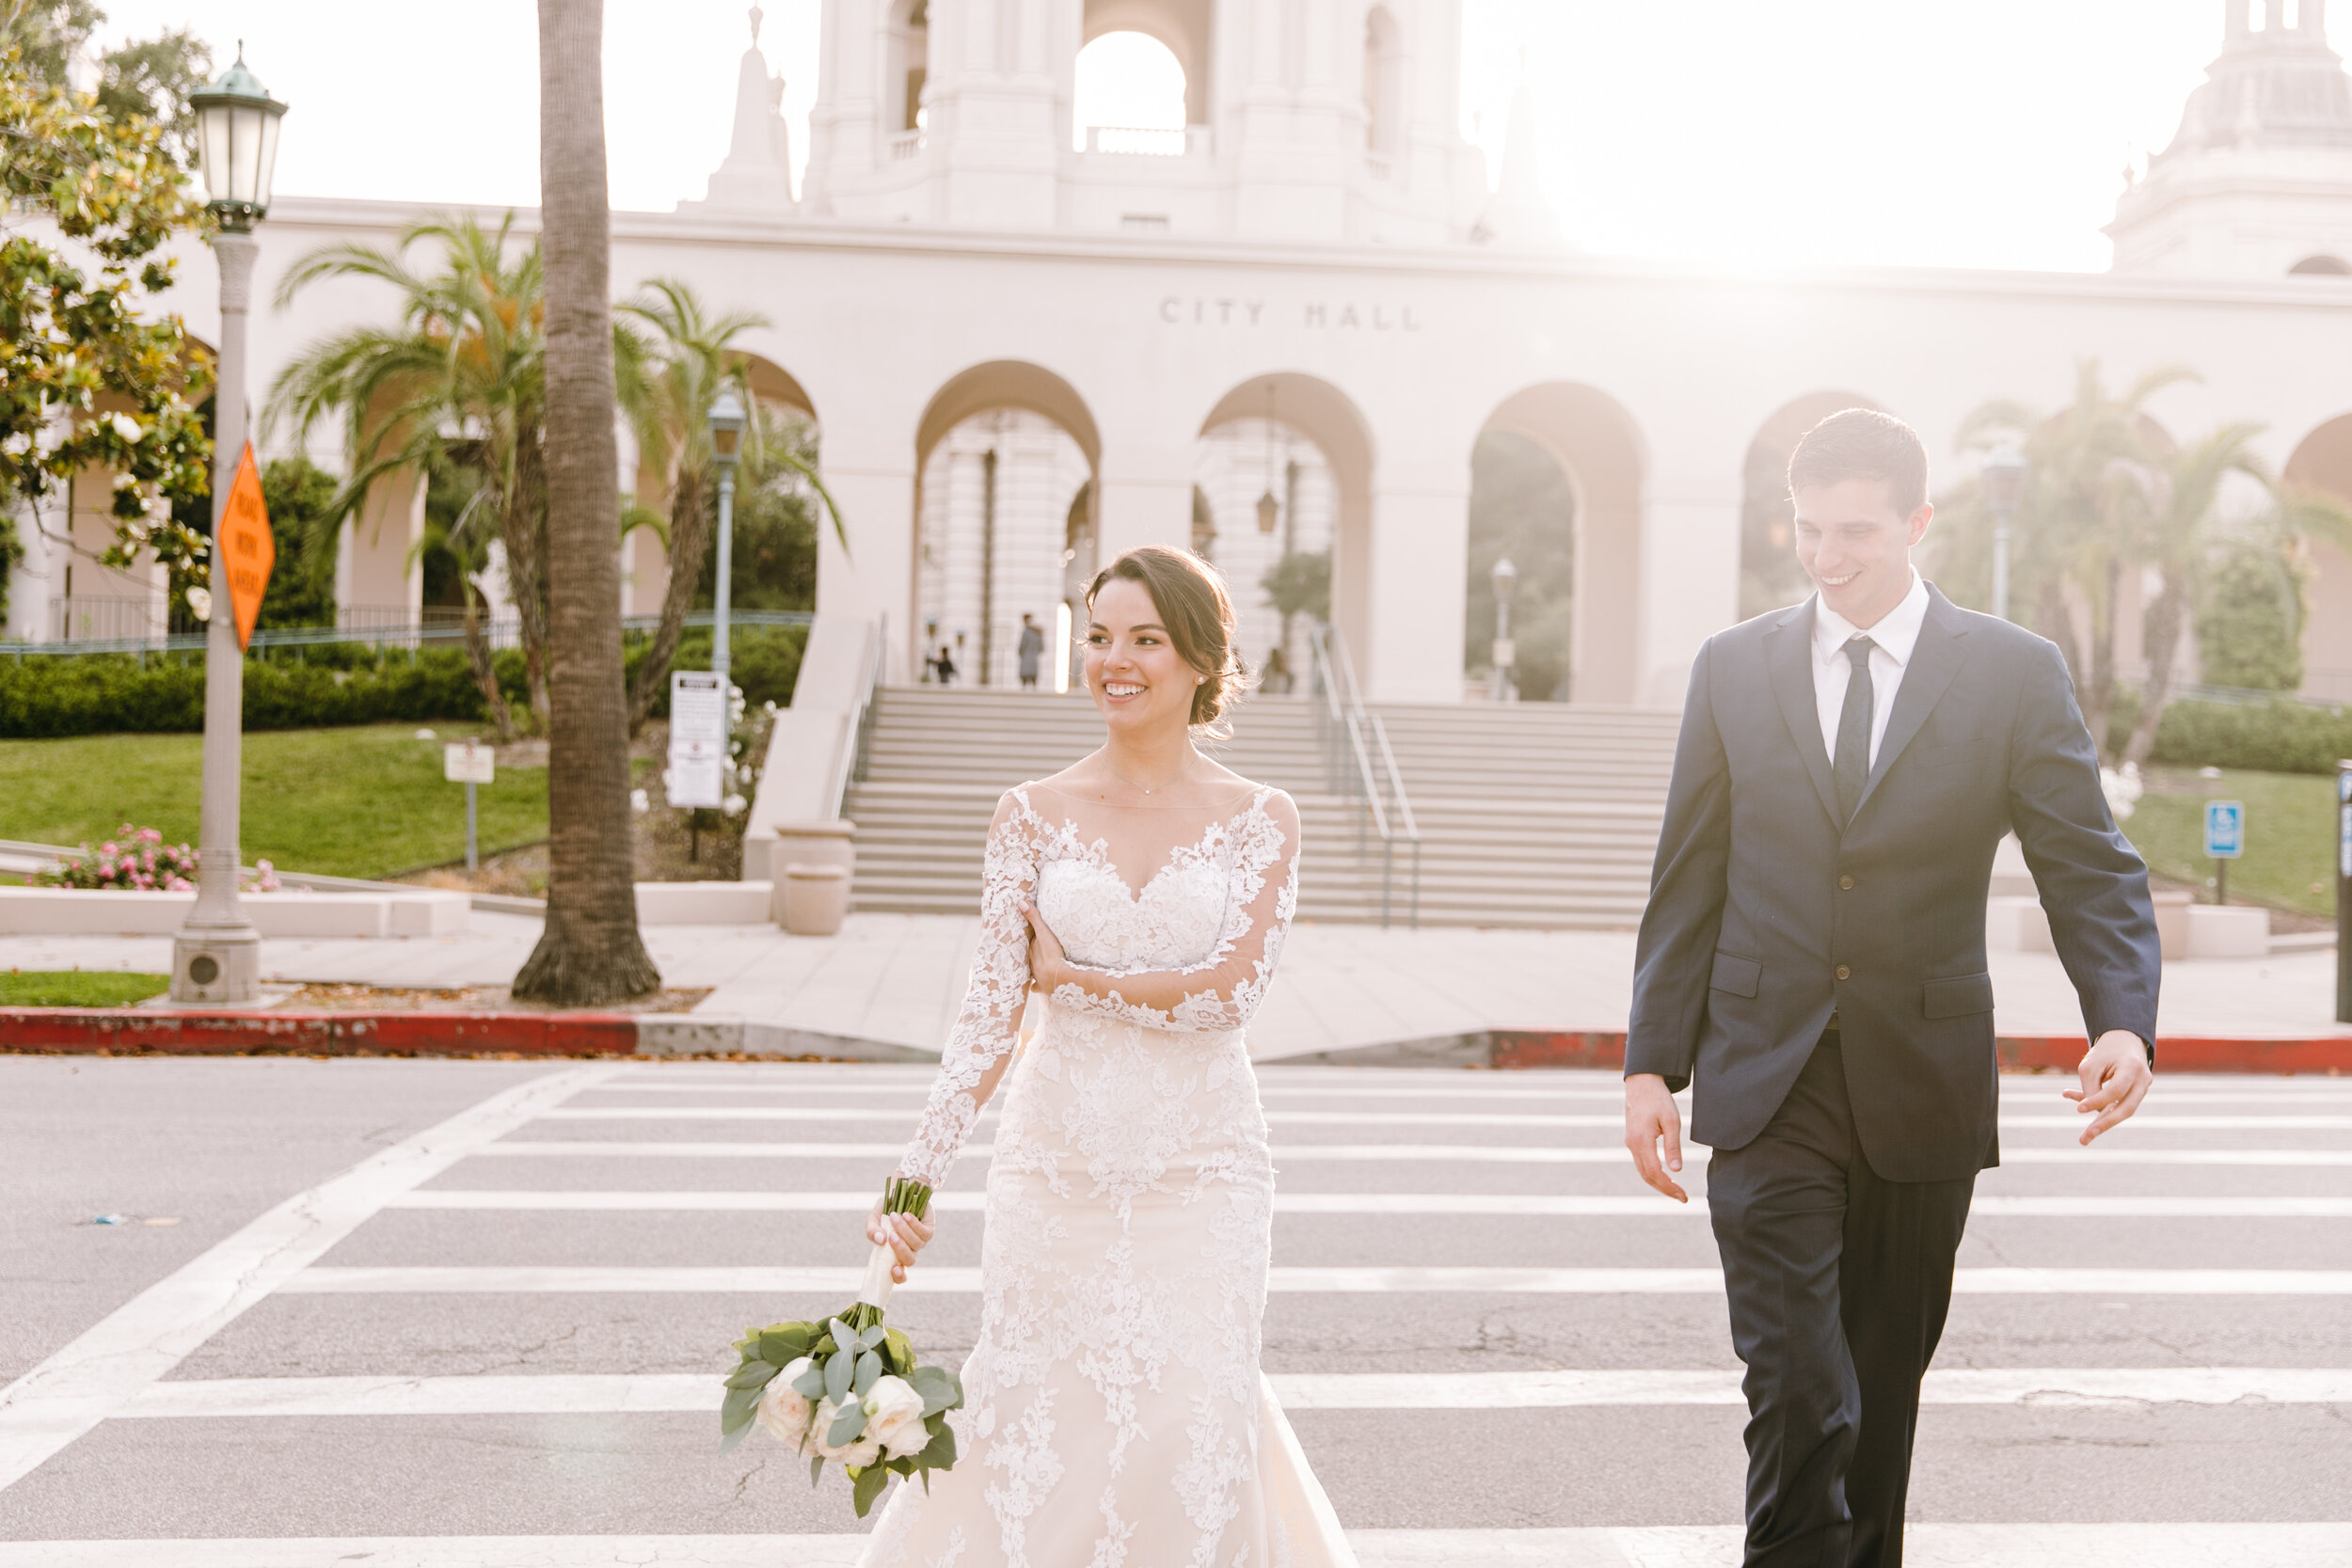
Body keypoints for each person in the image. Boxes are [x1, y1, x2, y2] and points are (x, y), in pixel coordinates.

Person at [1622, 409, 2159, 1568]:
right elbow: (1687, 877)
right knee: (1800, 1388)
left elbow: (2085, 861)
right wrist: (1647, 1063)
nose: (1825, 556)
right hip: (1764, 1082)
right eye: (1807, 529)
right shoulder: (1733, 667)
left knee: (1874, 1407)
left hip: (1921, 1086)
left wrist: (2119, 1015)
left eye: (1854, 531)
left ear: (1919, 522)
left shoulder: (2012, 672)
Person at [859, 545, 1352, 1568]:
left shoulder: (1261, 818)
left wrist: (1073, 981)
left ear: (1200, 660)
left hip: (1203, 1169)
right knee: (1033, 1407)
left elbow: (1229, 996)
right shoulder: (1028, 815)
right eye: (1097, 636)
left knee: (1192, 1413)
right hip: (1055, 1165)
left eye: (1145, 639)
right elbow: (988, 1017)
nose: (1112, 659)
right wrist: (911, 1177)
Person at [1016, 611, 1045, 689]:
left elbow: (1022, 644)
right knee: (1032, 674)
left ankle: (1024, 688)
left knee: (1025, 673)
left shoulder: (1026, 631)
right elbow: (1041, 647)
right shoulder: (1037, 632)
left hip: (1026, 655)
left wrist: (1020, 652)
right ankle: (1033, 688)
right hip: (1034, 656)